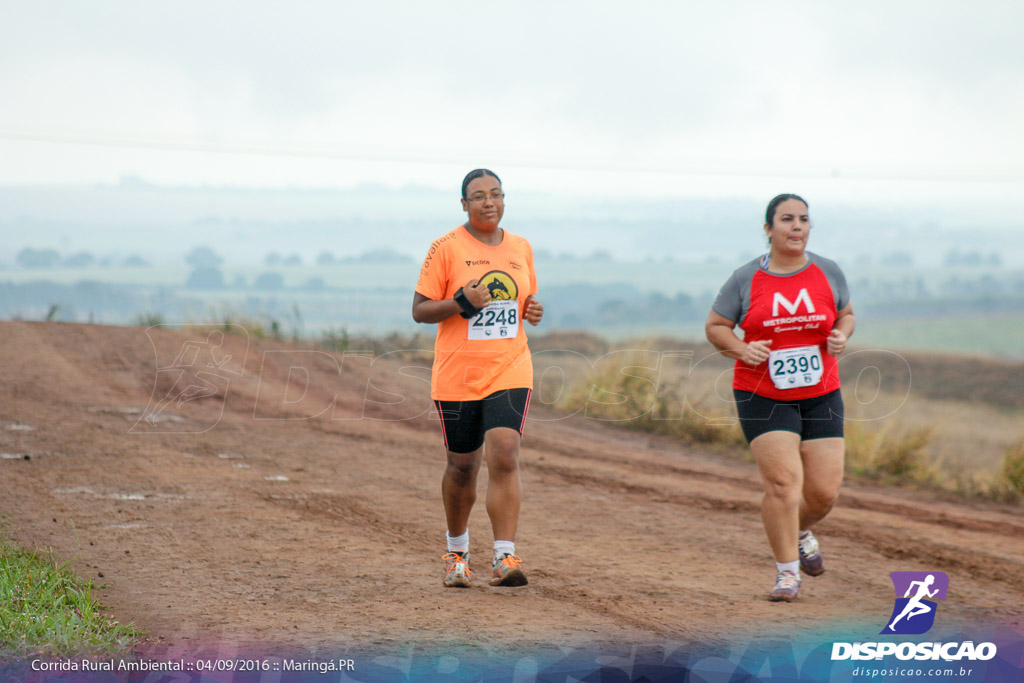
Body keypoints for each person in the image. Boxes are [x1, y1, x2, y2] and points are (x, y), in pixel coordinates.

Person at [705, 194, 855, 602]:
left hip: (821, 392)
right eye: (787, 220)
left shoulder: (827, 270)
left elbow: (846, 313)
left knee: (824, 492)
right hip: (762, 392)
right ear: (769, 228)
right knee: (784, 484)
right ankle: (787, 573)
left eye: (803, 220)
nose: (796, 227)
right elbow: (716, 326)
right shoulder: (745, 278)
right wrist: (740, 348)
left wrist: (842, 334)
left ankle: (800, 528)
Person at [413, 169, 544, 588]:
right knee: (462, 468)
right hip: (458, 373)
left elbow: (522, 300)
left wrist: (531, 311)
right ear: (464, 204)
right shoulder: (446, 248)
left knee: (505, 454)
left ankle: (505, 557)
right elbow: (419, 310)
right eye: (478, 196)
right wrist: (460, 301)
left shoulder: (521, 247)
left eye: (496, 194)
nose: (489, 202)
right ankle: (457, 554)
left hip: (509, 366)